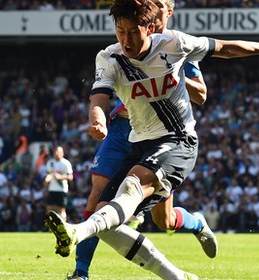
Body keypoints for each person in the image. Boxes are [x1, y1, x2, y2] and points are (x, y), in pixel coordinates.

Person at [46, 0, 259, 279]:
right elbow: (99, 98)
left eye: (132, 32)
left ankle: (77, 231)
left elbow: (223, 49)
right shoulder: (109, 58)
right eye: (120, 31)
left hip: (177, 139)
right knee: (103, 214)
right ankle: (175, 277)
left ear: (150, 27)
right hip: (135, 139)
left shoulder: (174, 43)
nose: (126, 39)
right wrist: (96, 118)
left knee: (143, 199)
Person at [70, 0, 215, 278]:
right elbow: (102, 90)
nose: (154, 5)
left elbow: (202, 95)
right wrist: (97, 117)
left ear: (168, 11)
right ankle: (81, 272)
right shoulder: (126, 42)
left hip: (163, 136)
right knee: (97, 197)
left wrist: (172, 75)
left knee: (165, 221)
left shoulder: (179, 47)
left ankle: (197, 224)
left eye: (160, 3)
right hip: (123, 132)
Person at [43, 146, 73, 220]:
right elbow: (48, 175)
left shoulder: (66, 163)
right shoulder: (50, 163)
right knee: (49, 208)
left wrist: (60, 177)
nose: (56, 153)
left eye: (58, 152)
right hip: (52, 189)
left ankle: (63, 225)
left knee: (61, 209)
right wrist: (46, 183)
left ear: (62, 153)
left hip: (62, 190)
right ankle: (51, 227)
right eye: (55, 152)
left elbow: (70, 177)